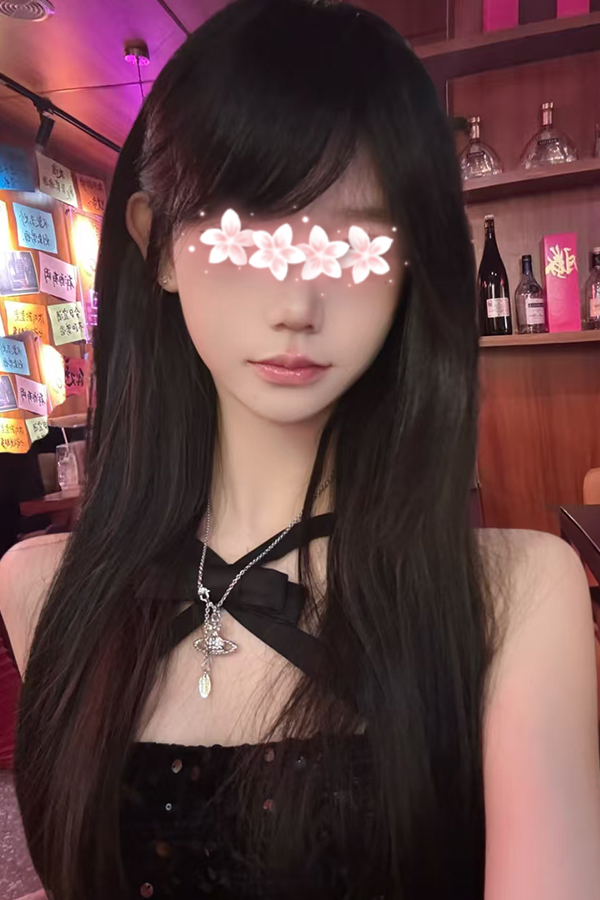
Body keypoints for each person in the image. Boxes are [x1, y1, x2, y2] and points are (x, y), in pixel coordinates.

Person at [1, 0, 599, 897]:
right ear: (156, 247)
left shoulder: (516, 598)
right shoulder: (41, 588)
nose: (296, 303)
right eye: (246, 233)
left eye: (355, 241)